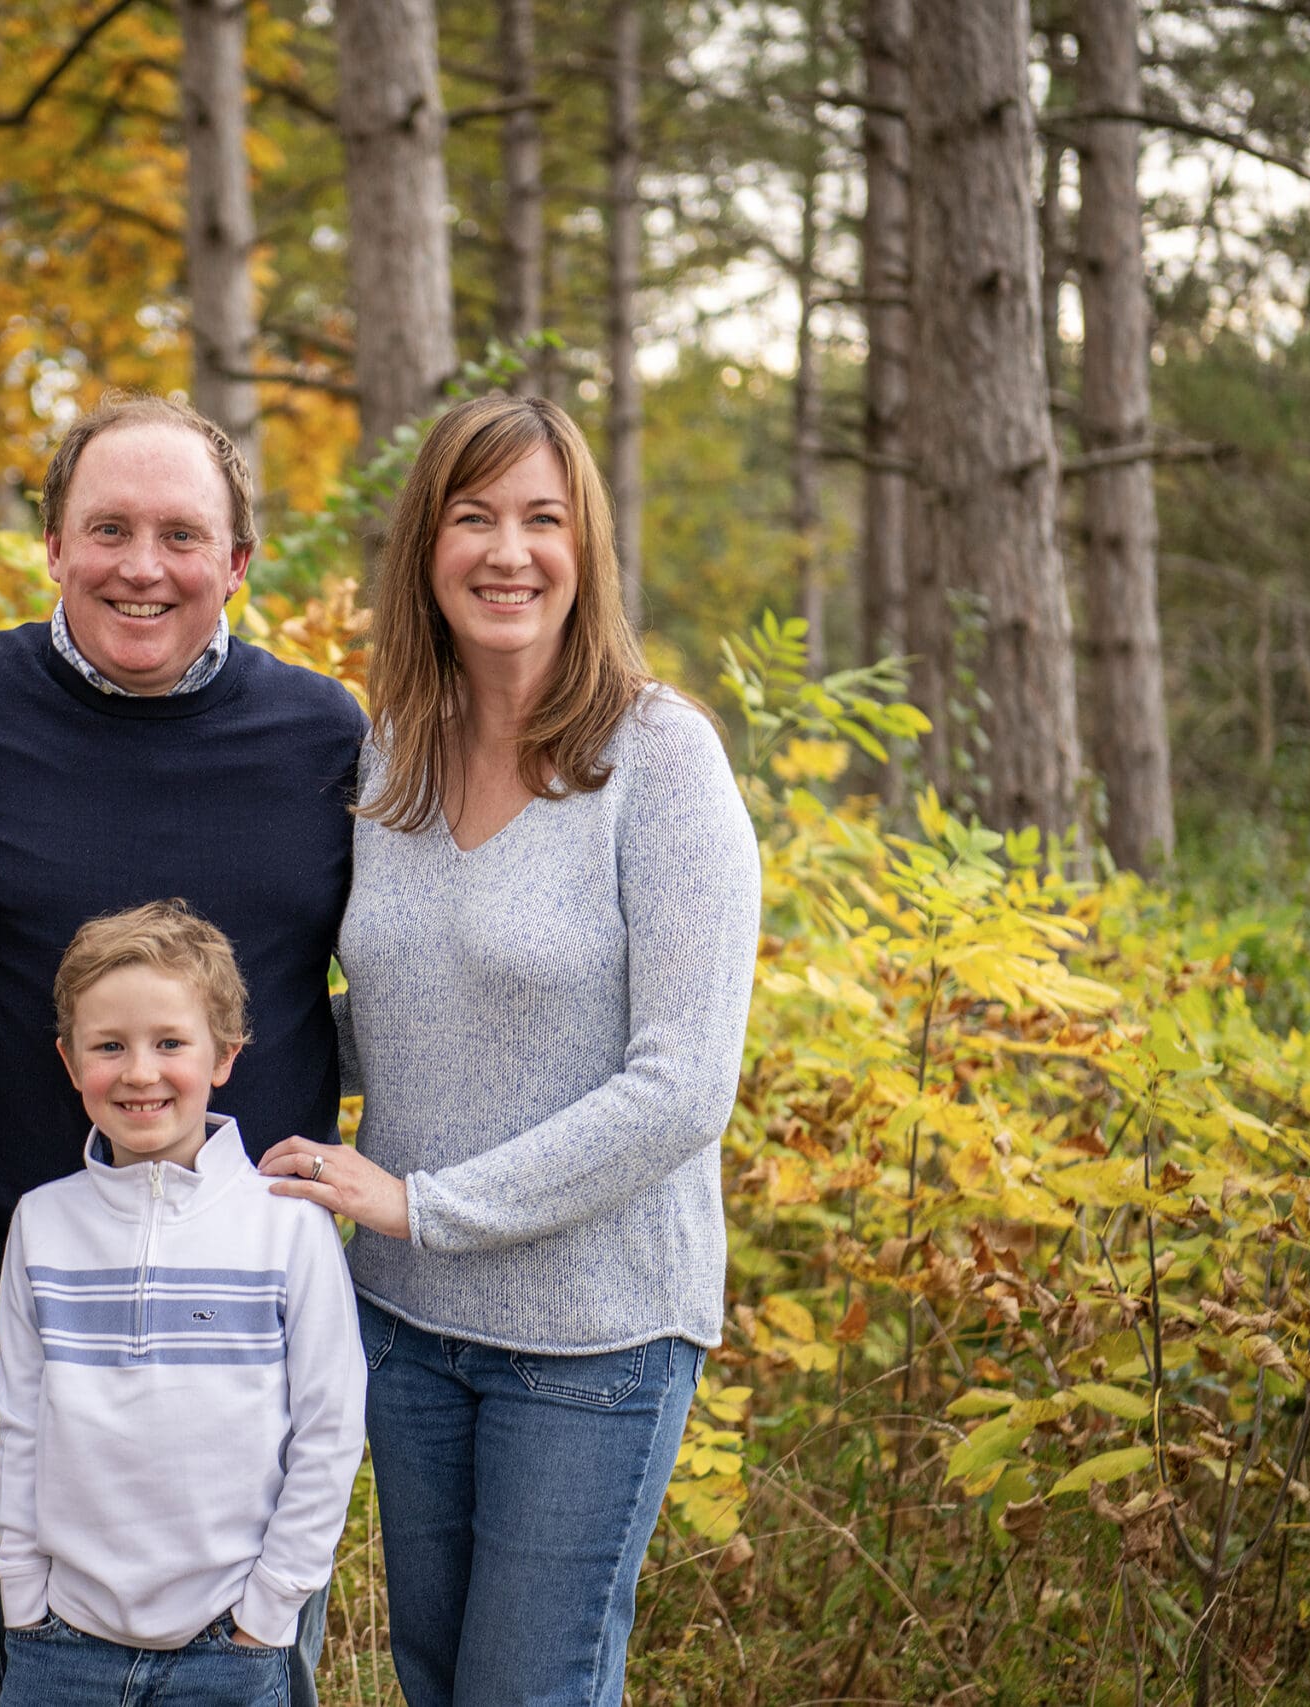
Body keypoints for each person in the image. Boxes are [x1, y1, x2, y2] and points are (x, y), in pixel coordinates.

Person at [257, 394, 762, 1705]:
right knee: (437, 1678)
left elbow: (683, 1084)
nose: (509, 550)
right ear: (426, 546)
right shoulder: (396, 761)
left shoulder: (659, 759)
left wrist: (427, 1205)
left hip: (594, 1333)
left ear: (584, 548)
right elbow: (401, 1009)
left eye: (544, 518)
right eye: (474, 516)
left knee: (528, 1688)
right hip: (412, 1327)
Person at [0, 395, 363, 1700]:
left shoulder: (329, 740)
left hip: (250, 1303)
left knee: (249, 1672)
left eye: (180, 534)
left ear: (240, 563)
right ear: (51, 543)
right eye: (107, 528)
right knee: (8, 1668)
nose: (141, 567)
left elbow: (402, 979)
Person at [0, 903, 363, 1707]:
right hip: (61, 1645)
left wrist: (267, 1613)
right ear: (69, 1059)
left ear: (225, 1054)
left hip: (227, 1647)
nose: (139, 1072)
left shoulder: (289, 1222)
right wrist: (21, 1597)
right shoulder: (43, 1222)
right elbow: (18, 1420)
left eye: (170, 1043)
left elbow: (330, 1429)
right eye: (109, 1046)